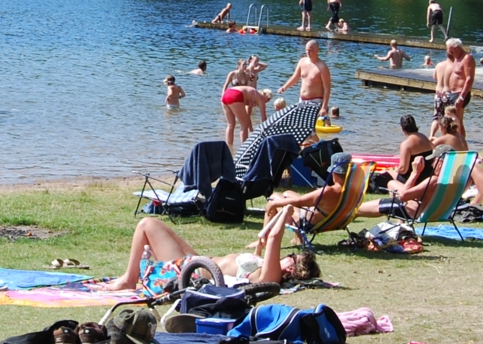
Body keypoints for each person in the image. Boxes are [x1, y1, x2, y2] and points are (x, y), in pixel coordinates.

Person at [107, 208, 318, 293]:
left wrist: (288, 209)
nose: (287, 256)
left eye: (291, 257)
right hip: (196, 260)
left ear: (291, 270)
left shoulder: (270, 276)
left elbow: (274, 237)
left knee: (147, 224)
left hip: (192, 270)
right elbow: (266, 235)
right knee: (155, 228)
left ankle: (129, 278)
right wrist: (281, 212)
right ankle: (137, 271)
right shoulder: (264, 269)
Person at [235, 40, 331, 175]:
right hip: (302, 99)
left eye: (311, 50)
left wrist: (324, 107)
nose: (308, 52)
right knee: (299, 128)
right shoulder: (303, 61)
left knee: (308, 130)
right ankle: (303, 153)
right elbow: (295, 77)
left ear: (317, 50)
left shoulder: (322, 67)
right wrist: (285, 86)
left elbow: (327, 89)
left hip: (316, 101)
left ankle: (321, 150)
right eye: (306, 50)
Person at [433, 39, 476, 137]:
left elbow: (469, 79)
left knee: (457, 120)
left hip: (460, 93)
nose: (450, 53)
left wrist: (461, 97)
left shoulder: (467, 58)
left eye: (451, 50)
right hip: (452, 93)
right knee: (451, 120)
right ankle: (454, 141)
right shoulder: (456, 58)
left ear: (457, 48)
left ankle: (460, 144)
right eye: (449, 50)